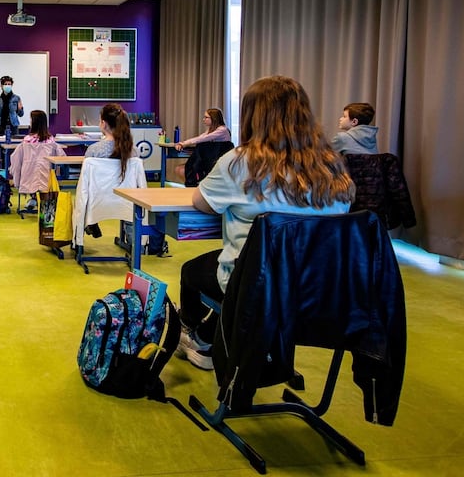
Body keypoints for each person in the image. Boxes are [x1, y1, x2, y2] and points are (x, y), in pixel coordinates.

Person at [177, 76, 355, 370]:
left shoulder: (239, 162)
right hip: (318, 289)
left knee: (196, 271)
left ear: (252, 117)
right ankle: (214, 334)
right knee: (236, 268)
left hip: (257, 284)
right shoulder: (331, 165)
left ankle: (198, 338)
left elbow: (201, 202)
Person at [82, 103, 138, 237]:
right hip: (126, 200)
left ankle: (89, 225)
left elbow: (84, 180)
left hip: (97, 200)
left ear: (104, 123)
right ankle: (132, 240)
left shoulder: (93, 150)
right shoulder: (132, 151)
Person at [14, 110, 59, 210]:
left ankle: (33, 198)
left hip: (28, 176)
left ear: (34, 122)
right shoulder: (51, 141)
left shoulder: (26, 141)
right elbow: (61, 157)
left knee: (32, 174)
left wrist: (16, 178)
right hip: (46, 178)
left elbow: (16, 160)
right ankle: (43, 201)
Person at [173, 107, 231, 180]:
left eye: (206, 117)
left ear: (214, 118)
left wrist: (183, 144)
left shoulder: (222, 130)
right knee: (179, 169)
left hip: (216, 162)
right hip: (209, 160)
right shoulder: (210, 130)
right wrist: (182, 143)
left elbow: (202, 139)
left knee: (183, 170)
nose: (204, 119)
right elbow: (200, 137)